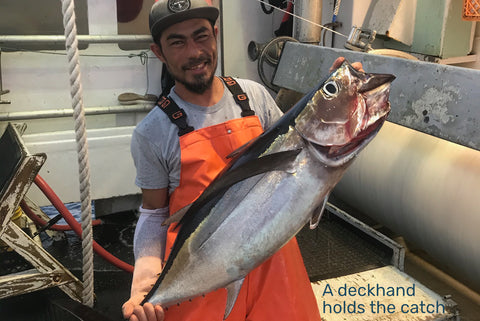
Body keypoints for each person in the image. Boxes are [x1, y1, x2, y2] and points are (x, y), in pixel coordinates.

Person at [122, 1, 360, 320]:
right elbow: (153, 214)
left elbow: (304, 162)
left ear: (216, 35)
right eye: (177, 42)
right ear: (159, 52)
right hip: (203, 282)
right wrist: (145, 283)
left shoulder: (253, 97)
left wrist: (337, 103)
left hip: (276, 271)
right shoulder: (152, 132)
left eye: (201, 36)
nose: (194, 52)